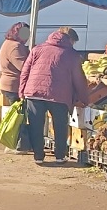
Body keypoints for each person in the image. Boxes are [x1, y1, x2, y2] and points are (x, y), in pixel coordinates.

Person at [18, 26, 91, 165]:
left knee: (36, 125)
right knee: (60, 126)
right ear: (70, 39)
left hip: (34, 92)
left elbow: (25, 71)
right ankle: (60, 156)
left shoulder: (37, 49)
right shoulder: (72, 54)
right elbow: (79, 79)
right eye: (73, 42)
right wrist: (84, 99)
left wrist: (22, 91)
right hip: (59, 95)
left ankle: (38, 156)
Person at [0, 22, 30, 105]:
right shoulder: (16, 46)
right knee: (18, 112)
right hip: (13, 87)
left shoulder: (7, 42)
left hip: (7, 85)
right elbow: (24, 67)